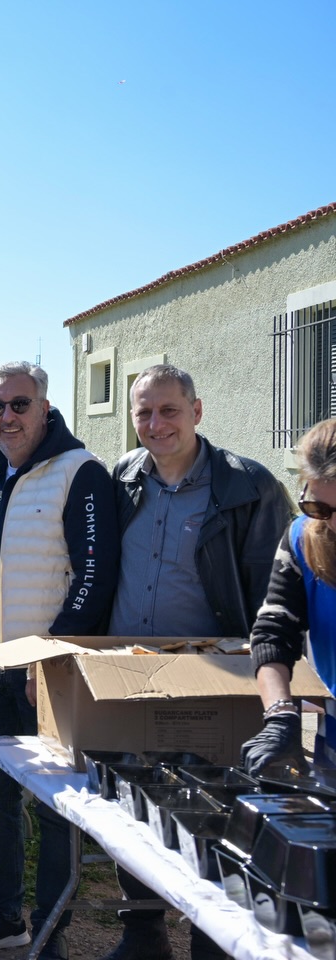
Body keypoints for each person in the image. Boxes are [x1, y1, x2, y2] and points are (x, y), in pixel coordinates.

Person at [99, 364, 291, 960]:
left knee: (217, 814)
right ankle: (144, 932)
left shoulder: (249, 486)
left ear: (197, 411)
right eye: (144, 413)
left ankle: (213, 942)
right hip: (130, 673)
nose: (156, 424)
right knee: (135, 809)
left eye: (169, 410)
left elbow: (274, 596)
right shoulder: (123, 477)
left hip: (216, 679)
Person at [0, 361, 118, 960]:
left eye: (20, 405)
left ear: (45, 407)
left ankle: (51, 929)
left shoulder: (80, 471)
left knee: (53, 806)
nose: (8, 417)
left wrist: (49, 662)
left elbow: (92, 579)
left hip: (47, 673)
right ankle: (2, 916)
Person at [244, 416, 336, 778]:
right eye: (320, 509)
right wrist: (280, 714)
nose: (333, 524)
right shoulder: (302, 538)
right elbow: (273, 632)